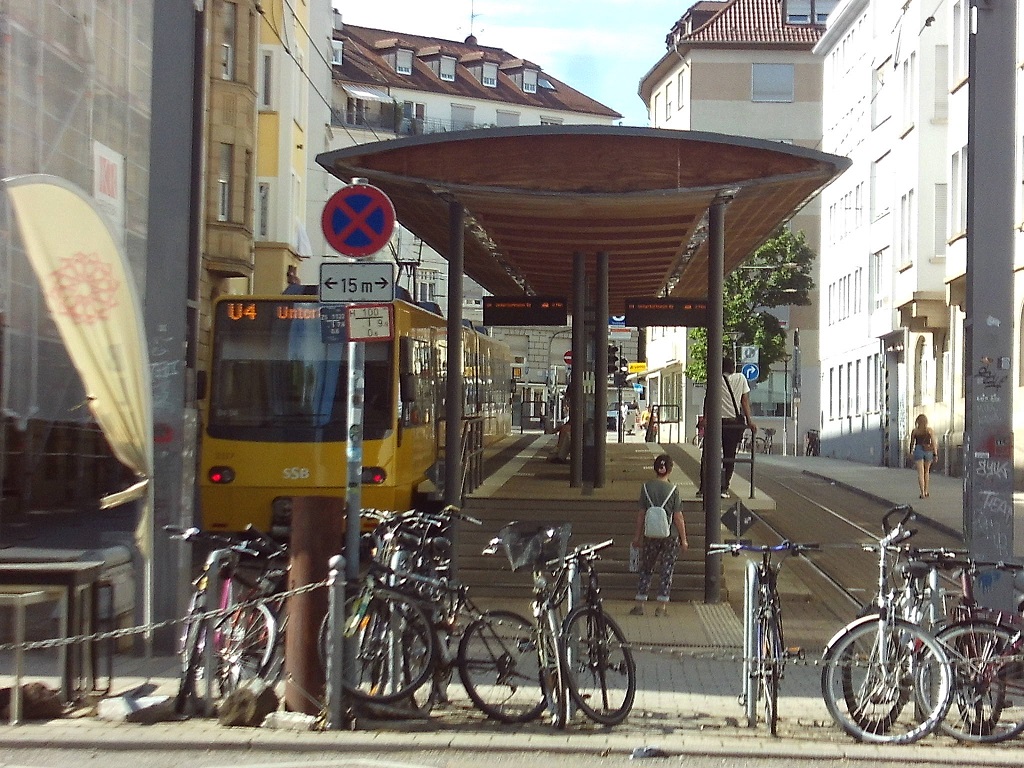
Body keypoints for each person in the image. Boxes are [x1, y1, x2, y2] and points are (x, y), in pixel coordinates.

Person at [630, 454, 688, 616]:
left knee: (646, 568)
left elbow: (641, 514)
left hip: (650, 535)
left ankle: (640, 604)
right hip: (670, 536)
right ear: (670, 470)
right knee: (666, 570)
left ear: (655, 469)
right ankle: (661, 607)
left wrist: (637, 537)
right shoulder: (673, 490)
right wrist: (684, 539)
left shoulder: (646, 488)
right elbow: (678, 517)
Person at [698, 356, 757, 499]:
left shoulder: (714, 379)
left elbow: (708, 400)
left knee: (708, 456)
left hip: (715, 424)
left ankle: (704, 488)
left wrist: (705, 419)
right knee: (729, 457)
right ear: (733, 367)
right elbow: (744, 401)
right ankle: (724, 488)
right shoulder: (741, 378)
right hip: (733, 424)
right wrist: (750, 421)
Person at [910, 414, 936, 498]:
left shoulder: (915, 431)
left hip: (918, 450)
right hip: (928, 450)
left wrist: (910, 452)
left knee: (920, 473)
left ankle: (922, 493)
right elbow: (934, 442)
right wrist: (935, 453)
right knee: (926, 472)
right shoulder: (929, 430)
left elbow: (912, 443)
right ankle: (926, 491)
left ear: (917, 421)